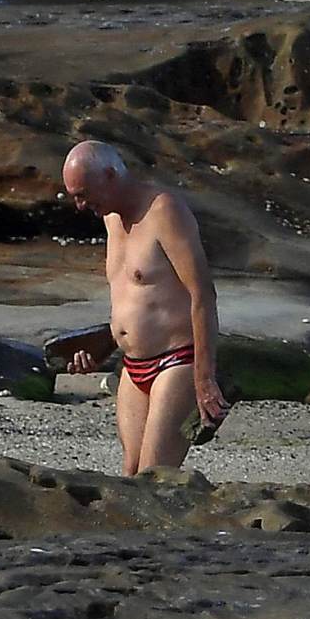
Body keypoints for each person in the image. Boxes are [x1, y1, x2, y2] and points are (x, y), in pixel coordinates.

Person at [58, 139, 226, 475]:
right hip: (132, 366)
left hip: (176, 361)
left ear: (110, 175)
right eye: (74, 195)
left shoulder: (164, 211)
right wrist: (102, 347)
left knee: (153, 477)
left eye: (82, 193)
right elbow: (132, 298)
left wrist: (205, 379)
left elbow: (203, 294)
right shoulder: (109, 219)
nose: (79, 205)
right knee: (131, 474)